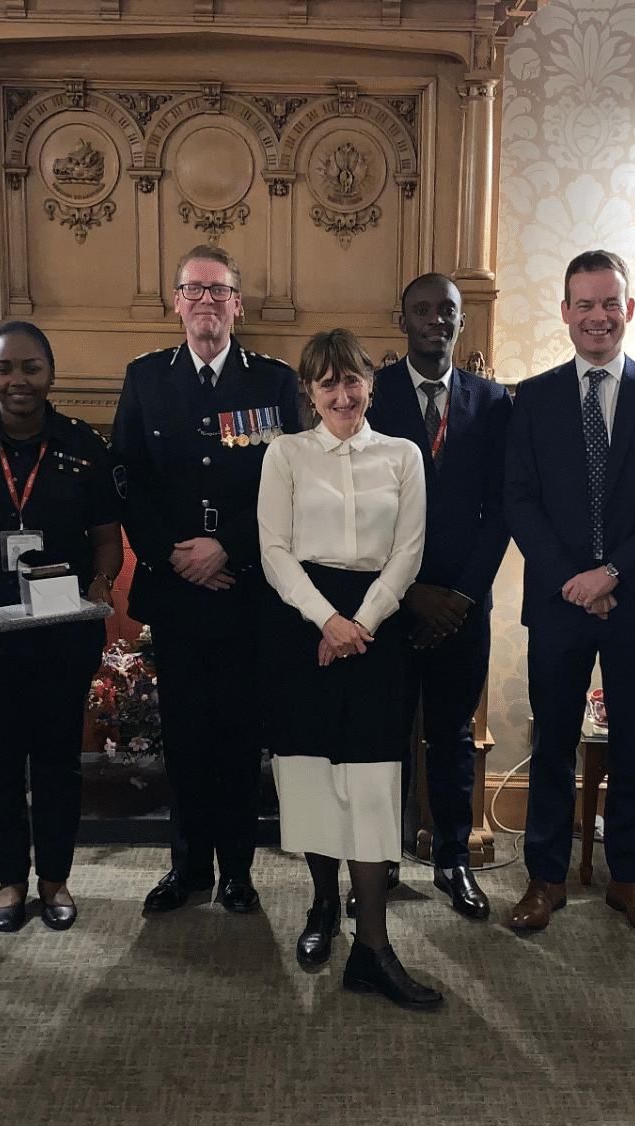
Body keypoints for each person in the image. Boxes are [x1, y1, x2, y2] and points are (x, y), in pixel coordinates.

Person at [504, 250, 635, 936]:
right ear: (564, 312)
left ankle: (631, 879)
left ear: (629, 309)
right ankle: (545, 877)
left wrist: (612, 573)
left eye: (609, 303)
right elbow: (519, 501)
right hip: (559, 601)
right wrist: (575, 579)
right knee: (553, 740)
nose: (597, 316)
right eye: (583, 304)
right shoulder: (530, 397)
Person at [111, 245, 299, 916]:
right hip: (177, 590)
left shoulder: (273, 382)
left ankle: (238, 872)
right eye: (194, 291)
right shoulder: (146, 378)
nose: (206, 303)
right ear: (176, 302)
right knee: (186, 737)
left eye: (219, 291)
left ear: (238, 304)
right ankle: (187, 866)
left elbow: (290, 483)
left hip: (248, 589)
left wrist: (231, 551)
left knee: (241, 737)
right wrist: (173, 554)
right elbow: (127, 480)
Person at [259, 328, 437, 1007]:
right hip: (303, 622)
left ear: (371, 384)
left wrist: (359, 623)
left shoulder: (402, 455)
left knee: (367, 783)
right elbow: (274, 551)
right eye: (327, 382)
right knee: (310, 779)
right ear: (308, 392)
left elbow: (409, 553)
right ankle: (322, 906)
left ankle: (373, 945)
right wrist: (325, 620)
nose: (341, 393)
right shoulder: (286, 454)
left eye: (352, 380)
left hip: (376, 625)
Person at [0, 321, 123, 932]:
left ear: (50, 373)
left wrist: (101, 585)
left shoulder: (83, 446)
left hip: (59, 636)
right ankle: (10, 881)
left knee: (56, 761)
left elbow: (105, 537)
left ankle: (55, 879)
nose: (19, 381)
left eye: (31, 368)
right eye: (6, 369)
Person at [364, 272, 512, 922]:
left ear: (460, 320)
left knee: (452, 740)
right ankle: (380, 864)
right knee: (383, 736)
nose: (435, 319)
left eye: (445, 310)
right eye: (422, 309)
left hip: (461, 608)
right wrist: (410, 592)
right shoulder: (371, 395)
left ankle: (453, 861)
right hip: (390, 603)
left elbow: (502, 509)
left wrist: (460, 596)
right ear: (404, 321)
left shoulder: (493, 400)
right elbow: (361, 508)